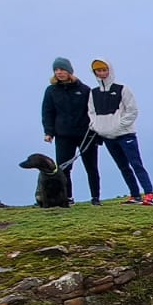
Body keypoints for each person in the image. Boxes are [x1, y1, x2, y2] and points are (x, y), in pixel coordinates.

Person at [87, 58, 153, 205]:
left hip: (125, 134)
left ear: (110, 70)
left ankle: (149, 194)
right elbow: (91, 112)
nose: (102, 73)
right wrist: (97, 127)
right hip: (107, 136)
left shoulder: (122, 88)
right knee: (123, 167)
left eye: (104, 70)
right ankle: (135, 195)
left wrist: (120, 126)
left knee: (136, 164)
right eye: (98, 70)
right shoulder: (93, 93)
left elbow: (132, 111)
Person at [40, 57, 101, 204]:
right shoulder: (51, 91)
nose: (59, 72)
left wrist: (98, 134)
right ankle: (67, 197)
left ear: (69, 71)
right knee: (64, 168)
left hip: (86, 134)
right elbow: (47, 112)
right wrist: (49, 132)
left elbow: (93, 112)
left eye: (62, 69)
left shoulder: (84, 89)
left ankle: (95, 198)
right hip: (63, 135)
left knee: (91, 167)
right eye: (56, 70)